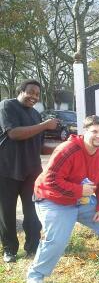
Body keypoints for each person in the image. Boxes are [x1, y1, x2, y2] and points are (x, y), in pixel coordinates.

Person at [26, 115, 99, 283]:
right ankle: (35, 275)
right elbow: (51, 181)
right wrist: (79, 191)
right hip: (53, 199)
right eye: (94, 131)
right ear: (85, 131)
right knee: (57, 239)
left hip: (80, 199)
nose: (98, 136)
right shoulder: (67, 150)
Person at [0, 79, 58, 263]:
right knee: (6, 212)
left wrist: (66, 146)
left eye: (37, 94)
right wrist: (45, 125)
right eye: (31, 92)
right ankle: (10, 249)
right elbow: (14, 133)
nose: (34, 97)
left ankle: (33, 247)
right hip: (7, 169)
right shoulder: (7, 106)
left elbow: (39, 146)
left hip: (32, 171)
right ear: (21, 90)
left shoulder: (35, 115)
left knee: (32, 211)